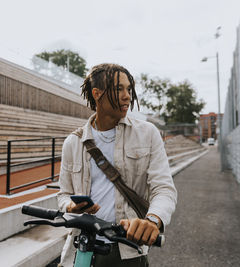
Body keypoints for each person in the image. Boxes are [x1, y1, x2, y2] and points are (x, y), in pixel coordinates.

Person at [57, 63, 177, 267]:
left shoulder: (147, 133)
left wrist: (152, 221)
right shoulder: (73, 142)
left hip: (126, 251)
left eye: (129, 89)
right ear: (97, 94)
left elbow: (164, 189)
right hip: (81, 249)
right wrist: (71, 206)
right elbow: (63, 194)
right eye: (118, 89)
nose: (127, 96)